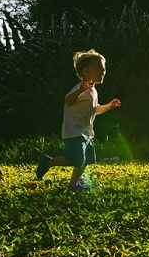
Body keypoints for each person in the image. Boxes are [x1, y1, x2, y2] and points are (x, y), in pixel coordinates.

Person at [36, 49, 121, 190]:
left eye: (104, 68)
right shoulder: (80, 88)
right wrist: (80, 89)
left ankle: (73, 184)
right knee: (76, 159)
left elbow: (95, 110)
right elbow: (68, 101)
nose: (103, 71)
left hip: (85, 132)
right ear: (86, 71)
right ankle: (48, 162)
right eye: (100, 67)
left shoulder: (93, 91)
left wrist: (109, 106)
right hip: (73, 131)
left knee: (86, 158)